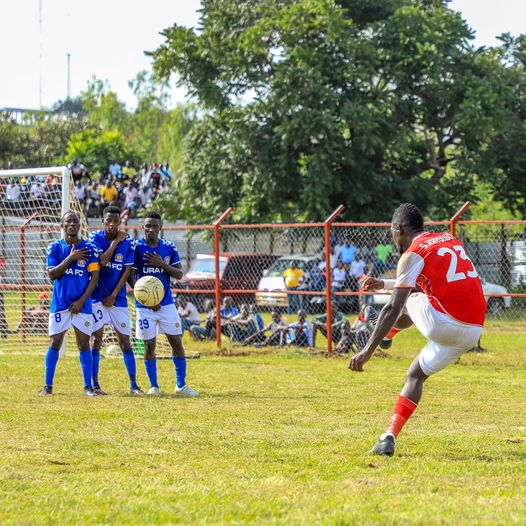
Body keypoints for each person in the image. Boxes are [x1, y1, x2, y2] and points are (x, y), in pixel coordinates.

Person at [349, 203, 486, 457]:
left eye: (392, 233)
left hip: (444, 323)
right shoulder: (447, 239)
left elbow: (392, 307)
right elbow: (428, 283)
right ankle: (387, 437)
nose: (393, 239)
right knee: (415, 375)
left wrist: (366, 351)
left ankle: (387, 337)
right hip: (472, 331)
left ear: (398, 230)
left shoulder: (413, 253)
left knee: (405, 301)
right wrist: (385, 283)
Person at [132, 211, 198, 397]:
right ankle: (154, 386)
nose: (151, 229)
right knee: (149, 345)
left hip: (167, 303)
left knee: (176, 342)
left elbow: (178, 274)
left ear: (161, 228)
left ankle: (181, 385)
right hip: (144, 306)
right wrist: (144, 298)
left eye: (154, 226)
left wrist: (161, 264)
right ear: (143, 228)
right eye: (148, 226)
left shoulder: (168, 247)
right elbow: (130, 275)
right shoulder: (137, 248)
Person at [39, 212, 100, 397]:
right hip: (60, 304)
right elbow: (52, 274)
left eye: (75, 221)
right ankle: (48, 387)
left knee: (84, 344)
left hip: (83, 305)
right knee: (55, 342)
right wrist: (71, 258)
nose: (72, 224)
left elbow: (94, 278)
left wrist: (81, 301)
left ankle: (88, 386)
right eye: (68, 221)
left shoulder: (89, 248)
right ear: (62, 225)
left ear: (79, 224)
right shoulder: (55, 248)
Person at [88, 206, 143, 396]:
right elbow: (102, 262)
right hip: (96, 298)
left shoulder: (128, 242)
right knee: (96, 339)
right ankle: (94, 385)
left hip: (117, 300)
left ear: (120, 222)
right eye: (108, 220)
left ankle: (134, 385)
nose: (112, 224)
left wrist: (115, 294)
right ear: (103, 221)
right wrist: (114, 243)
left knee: (125, 342)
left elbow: (127, 270)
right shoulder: (94, 239)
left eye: (115, 221)